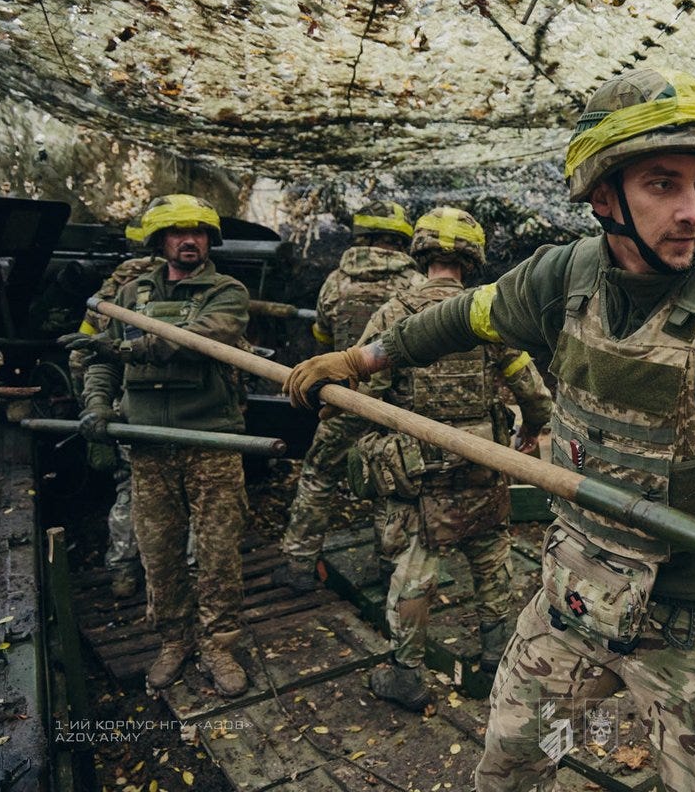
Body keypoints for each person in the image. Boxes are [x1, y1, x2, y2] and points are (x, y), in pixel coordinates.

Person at [284, 69, 695, 791]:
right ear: (602, 196)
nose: (692, 212)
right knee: (510, 763)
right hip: (575, 598)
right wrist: (361, 359)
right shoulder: (560, 281)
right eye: (663, 184)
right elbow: (461, 316)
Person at [346, 206, 553, 711]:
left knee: (415, 571)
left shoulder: (393, 315)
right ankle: (497, 657)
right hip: (482, 464)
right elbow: (535, 394)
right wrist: (528, 432)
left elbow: (361, 393)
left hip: (419, 474)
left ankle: (406, 674)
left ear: (420, 252)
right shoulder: (489, 314)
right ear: (472, 256)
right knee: (492, 561)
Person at [81, 193, 252, 698]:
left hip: (211, 443)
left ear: (210, 240)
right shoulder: (129, 294)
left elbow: (194, 340)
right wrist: (97, 406)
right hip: (149, 446)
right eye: (178, 232)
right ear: (160, 241)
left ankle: (218, 644)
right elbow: (102, 362)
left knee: (218, 553)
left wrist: (126, 346)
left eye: (198, 232)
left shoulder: (227, 292)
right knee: (159, 554)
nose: (189, 241)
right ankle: (174, 639)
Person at [272, 200, 425, 590]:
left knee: (318, 475)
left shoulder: (336, 282)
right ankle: (391, 569)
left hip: (342, 402)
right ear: (401, 239)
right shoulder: (415, 285)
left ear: (360, 236)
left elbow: (322, 342)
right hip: (394, 406)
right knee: (392, 482)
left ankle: (299, 565)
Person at [60, 252, 164, 599]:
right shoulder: (157, 297)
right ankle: (169, 572)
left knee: (128, 490)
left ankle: (123, 570)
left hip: (120, 408)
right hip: (145, 406)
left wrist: (91, 405)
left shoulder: (103, 300)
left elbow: (79, 359)